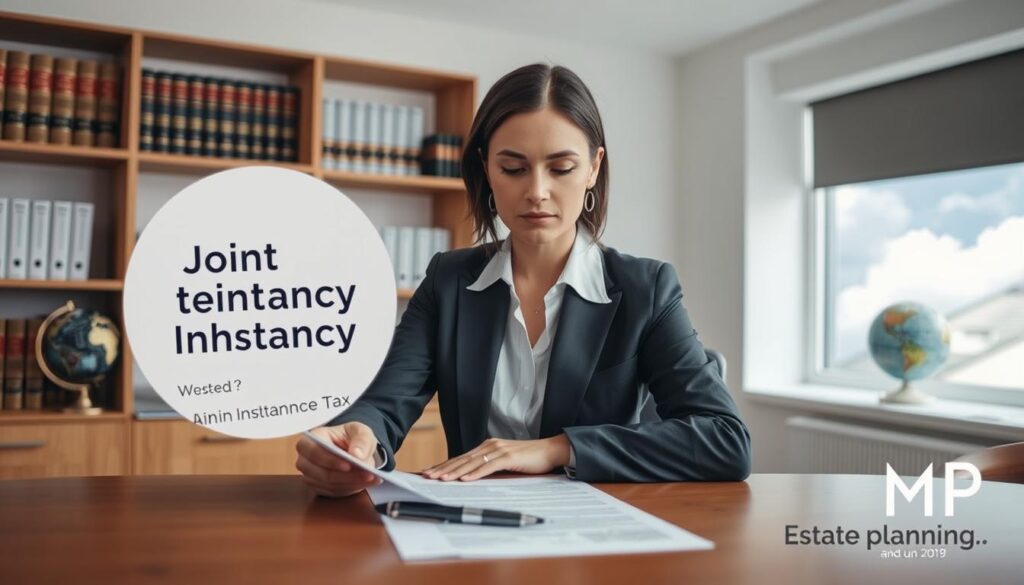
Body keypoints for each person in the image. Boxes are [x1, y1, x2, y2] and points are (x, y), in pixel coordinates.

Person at [295, 63, 751, 497]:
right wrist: (360, 444)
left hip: (596, 529)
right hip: (474, 522)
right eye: (513, 169)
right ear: (487, 169)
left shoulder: (645, 289)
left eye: (561, 168)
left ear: (593, 168)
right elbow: (385, 403)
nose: (536, 191)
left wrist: (557, 449)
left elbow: (725, 440)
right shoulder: (447, 281)